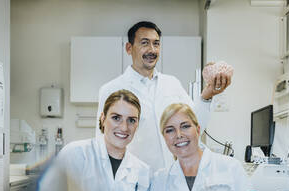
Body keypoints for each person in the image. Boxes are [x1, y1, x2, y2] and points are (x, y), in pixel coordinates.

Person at [97, 21, 232, 171]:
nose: (152, 50)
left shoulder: (172, 84)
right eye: (144, 43)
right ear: (129, 48)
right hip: (131, 179)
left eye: (156, 44)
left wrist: (208, 94)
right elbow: (102, 141)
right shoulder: (112, 89)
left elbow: (193, 124)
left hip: (170, 177)